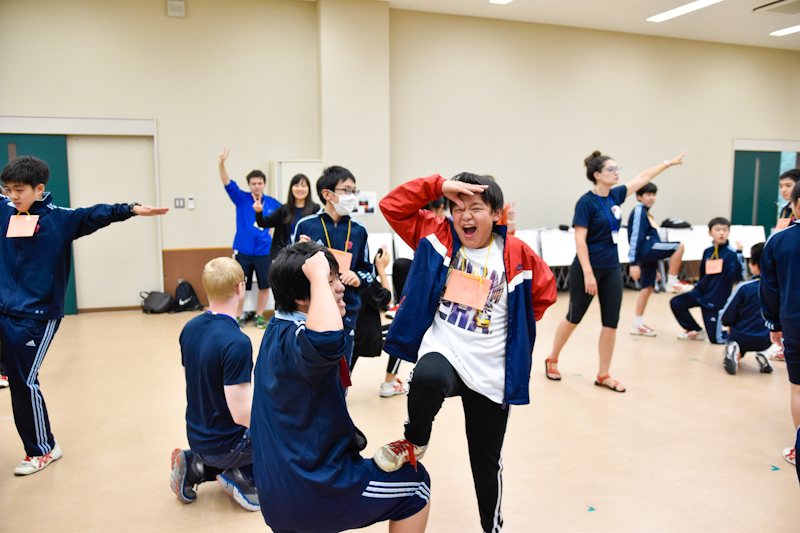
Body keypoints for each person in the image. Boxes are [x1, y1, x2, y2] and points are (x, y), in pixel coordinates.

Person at [375, 173, 557, 533]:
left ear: (497, 214)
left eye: (476, 208)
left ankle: (492, 527)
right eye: (457, 208)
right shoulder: (438, 235)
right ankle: (415, 440)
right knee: (426, 377)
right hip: (446, 350)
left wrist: (515, 327)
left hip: (491, 369)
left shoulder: (517, 253)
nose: (465, 216)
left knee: (486, 463)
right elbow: (392, 206)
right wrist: (438, 186)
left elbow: (545, 292)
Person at [0, 155, 168, 476]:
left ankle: (43, 449)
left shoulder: (60, 220)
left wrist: (131, 209)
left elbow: (97, 213)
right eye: (8, 190)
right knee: (16, 375)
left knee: (24, 382)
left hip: (36, 315)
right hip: (4, 308)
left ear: (39, 189)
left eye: (19, 190)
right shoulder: (5, 211)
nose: (13, 196)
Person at [251, 242, 431, 533]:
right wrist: (317, 275)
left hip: (277, 493)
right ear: (301, 297)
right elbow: (327, 340)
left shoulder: (277, 329)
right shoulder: (304, 341)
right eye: (330, 281)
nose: (339, 287)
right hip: (311, 493)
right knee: (415, 484)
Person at [544, 150, 687, 391]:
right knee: (574, 316)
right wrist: (588, 273)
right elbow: (580, 239)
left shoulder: (616, 195)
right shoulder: (586, 202)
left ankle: (603, 374)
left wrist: (668, 163)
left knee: (611, 322)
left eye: (617, 168)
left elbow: (642, 178)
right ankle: (553, 358)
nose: (616, 173)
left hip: (611, 268)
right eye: (611, 169)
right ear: (597, 174)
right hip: (587, 269)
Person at [169, 258, 259, 511]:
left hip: (197, 435)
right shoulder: (237, 342)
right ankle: (243, 476)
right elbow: (242, 415)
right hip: (228, 445)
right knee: (283, 431)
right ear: (240, 287)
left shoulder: (190, 328)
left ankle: (195, 464)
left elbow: (196, 380)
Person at [293, 166, 373, 365]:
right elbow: (289, 269)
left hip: (347, 308)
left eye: (354, 191)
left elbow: (368, 271)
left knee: (343, 365)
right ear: (327, 194)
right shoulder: (305, 225)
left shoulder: (359, 230)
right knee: (314, 364)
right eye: (346, 190)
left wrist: (358, 277)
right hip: (312, 307)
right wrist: (299, 253)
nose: (352, 196)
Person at [760, 181, 800, 467]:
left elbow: (770, 288)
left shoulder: (779, 240)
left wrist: (774, 323)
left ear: (795, 205)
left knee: (798, 388)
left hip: (794, 323)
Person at [218, 147, 281, 329]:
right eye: (253, 183)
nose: (257, 186)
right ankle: (239, 316)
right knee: (240, 286)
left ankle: (259, 316)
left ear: (264, 184)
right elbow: (227, 182)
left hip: (264, 252)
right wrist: (221, 163)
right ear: (249, 185)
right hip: (244, 251)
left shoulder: (273, 203)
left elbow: (285, 218)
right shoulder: (241, 198)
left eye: (260, 183)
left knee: (264, 286)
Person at [627, 182, 693, 337]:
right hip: (645, 250)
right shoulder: (639, 211)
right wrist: (634, 263)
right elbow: (634, 237)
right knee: (678, 246)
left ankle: (637, 324)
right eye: (648, 195)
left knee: (647, 287)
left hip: (649, 254)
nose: (651, 198)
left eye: (653, 195)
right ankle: (672, 281)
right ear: (639, 196)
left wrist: (655, 266)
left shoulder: (647, 213)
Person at [670, 217, 745, 343]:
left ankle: (741, 334)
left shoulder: (732, 254)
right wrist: (698, 286)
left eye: (725, 230)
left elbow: (737, 276)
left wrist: (739, 254)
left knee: (716, 339)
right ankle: (695, 330)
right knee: (676, 302)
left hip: (715, 299)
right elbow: (703, 273)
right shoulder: (708, 251)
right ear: (710, 233)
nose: (721, 233)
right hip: (701, 293)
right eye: (718, 230)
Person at [351, 245, 408, 397]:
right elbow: (386, 299)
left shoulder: (343, 275)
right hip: (366, 335)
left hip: (350, 330)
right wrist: (381, 270)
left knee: (347, 360)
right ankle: (389, 384)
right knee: (401, 332)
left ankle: (339, 388)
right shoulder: (364, 282)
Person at [719, 243, 777, 375]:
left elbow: (727, 316)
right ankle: (763, 354)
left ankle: (732, 349)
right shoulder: (779, 289)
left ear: (754, 265)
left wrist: (727, 324)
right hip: (767, 339)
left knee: (732, 341)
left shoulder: (745, 288)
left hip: (742, 336)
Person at [253, 173, 320, 259]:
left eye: (303, 186)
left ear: (308, 189)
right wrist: (259, 212)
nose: (300, 189)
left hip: (308, 255)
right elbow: (262, 223)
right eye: (296, 186)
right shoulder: (283, 209)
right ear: (291, 188)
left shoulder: (315, 209)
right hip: (285, 257)